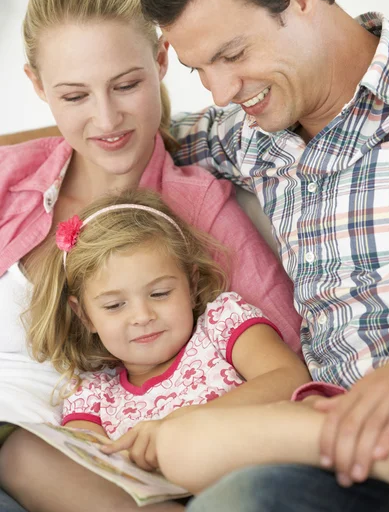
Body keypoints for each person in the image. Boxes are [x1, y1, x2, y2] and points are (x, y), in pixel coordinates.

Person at [0, 0, 303, 512]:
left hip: (84, 476)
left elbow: (287, 367)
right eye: (74, 96)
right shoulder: (8, 178)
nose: (106, 118)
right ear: (37, 86)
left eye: (127, 84)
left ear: (162, 60)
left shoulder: (198, 213)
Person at [140, 0, 389, 512]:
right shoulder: (248, 132)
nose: (224, 91)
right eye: (200, 69)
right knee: (225, 507)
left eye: (232, 54)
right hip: (333, 452)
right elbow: (125, 138)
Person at [27, 188, 308, 472]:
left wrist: (186, 423)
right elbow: (91, 471)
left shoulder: (222, 324)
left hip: (268, 474)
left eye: (160, 293)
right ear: (84, 316)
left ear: (192, 285)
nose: (142, 316)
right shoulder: (93, 396)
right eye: (114, 305)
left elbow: (290, 377)